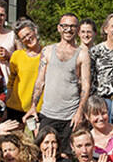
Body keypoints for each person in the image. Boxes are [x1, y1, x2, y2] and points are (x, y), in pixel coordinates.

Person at [25, 12, 91, 149]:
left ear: (77, 29)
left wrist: (79, 112)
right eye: (65, 26)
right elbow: (40, 81)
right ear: (59, 28)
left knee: (66, 155)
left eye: (72, 26)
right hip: (48, 113)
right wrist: (33, 106)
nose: (68, 29)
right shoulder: (48, 51)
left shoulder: (83, 54)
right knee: (45, 151)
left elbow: (86, 85)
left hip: (70, 115)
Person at [6, 19, 43, 122]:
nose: (28, 38)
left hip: (39, 108)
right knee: (13, 137)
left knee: (40, 137)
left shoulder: (47, 54)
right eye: (23, 37)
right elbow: (11, 82)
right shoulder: (17, 55)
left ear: (34, 31)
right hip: (16, 107)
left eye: (28, 34)